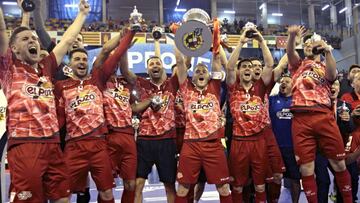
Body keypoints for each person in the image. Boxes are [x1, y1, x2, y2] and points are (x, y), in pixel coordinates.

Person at [1, 0, 90, 202]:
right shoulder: (8, 69)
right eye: (25, 39)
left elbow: (67, 41)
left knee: (63, 199)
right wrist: (24, 14)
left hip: (53, 145)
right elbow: (1, 31)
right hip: (25, 145)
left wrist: (82, 15)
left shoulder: (46, 66)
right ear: (13, 49)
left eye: (34, 38)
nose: (33, 40)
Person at [54, 28, 135, 203]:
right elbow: (58, 118)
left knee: (107, 194)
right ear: (70, 64)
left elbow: (112, 54)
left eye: (84, 59)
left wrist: (130, 33)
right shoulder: (60, 86)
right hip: (73, 146)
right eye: (77, 59)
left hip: (99, 145)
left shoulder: (97, 79)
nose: (82, 62)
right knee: (62, 196)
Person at [287, 25, 352, 203]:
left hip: (323, 116)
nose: (308, 45)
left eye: (311, 43)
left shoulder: (324, 65)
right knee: (306, 169)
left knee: (339, 164)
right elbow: (291, 52)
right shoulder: (297, 65)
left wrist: (328, 50)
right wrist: (292, 36)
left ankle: (347, 200)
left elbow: (332, 75)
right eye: (306, 44)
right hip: (300, 119)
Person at [120, 34, 177, 203]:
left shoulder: (172, 84)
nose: (155, 65)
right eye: (151, 64)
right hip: (144, 141)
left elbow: (182, 63)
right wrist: (124, 48)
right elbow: (124, 71)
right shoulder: (141, 84)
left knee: (169, 185)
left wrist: (174, 39)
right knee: (138, 184)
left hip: (167, 141)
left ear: (163, 67)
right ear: (147, 69)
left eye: (158, 63)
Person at [174, 45, 232, 202]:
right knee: (183, 188)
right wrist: (179, 38)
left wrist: (215, 40)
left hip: (213, 145)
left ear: (209, 77)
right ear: (192, 78)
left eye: (204, 71)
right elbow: (180, 61)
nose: (200, 72)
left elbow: (217, 60)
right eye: (197, 71)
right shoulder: (186, 89)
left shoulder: (215, 87)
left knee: (224, 187)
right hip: (190, 145)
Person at [226, 26, 274, 203]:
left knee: (260, 185)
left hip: (259, 141)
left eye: (249, 66)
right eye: (243, 66)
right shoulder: (233, 88)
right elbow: (230, 67)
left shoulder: (260, 87)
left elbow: (269, 64)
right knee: (237, 185)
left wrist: (261, 40)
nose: (246, 68)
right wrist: (240, 42)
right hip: (239, 142)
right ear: (240, 72)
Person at [103, 51, 137, 203]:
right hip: (108, 137)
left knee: (130, 184)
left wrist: (123, 50)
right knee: (106, 186)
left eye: (116, 60)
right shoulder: (98, 81)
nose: (114, 63)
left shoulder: (125, 82)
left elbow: (125, 69)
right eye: (111, 60)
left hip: (128, 136)